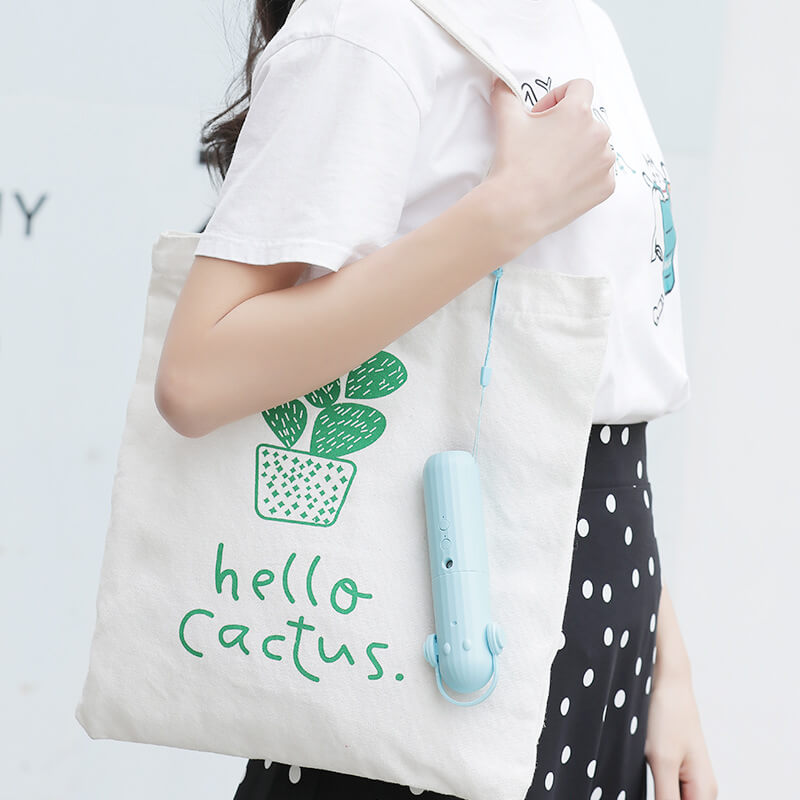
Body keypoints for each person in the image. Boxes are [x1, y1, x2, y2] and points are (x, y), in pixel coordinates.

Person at [154, 0, 718, 798]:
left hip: (600, 634)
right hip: (437, 635)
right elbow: (197, 374)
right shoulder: (371, 27)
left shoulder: (578, 22)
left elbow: (582, 393)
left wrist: (666, 659)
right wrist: (506, 212)